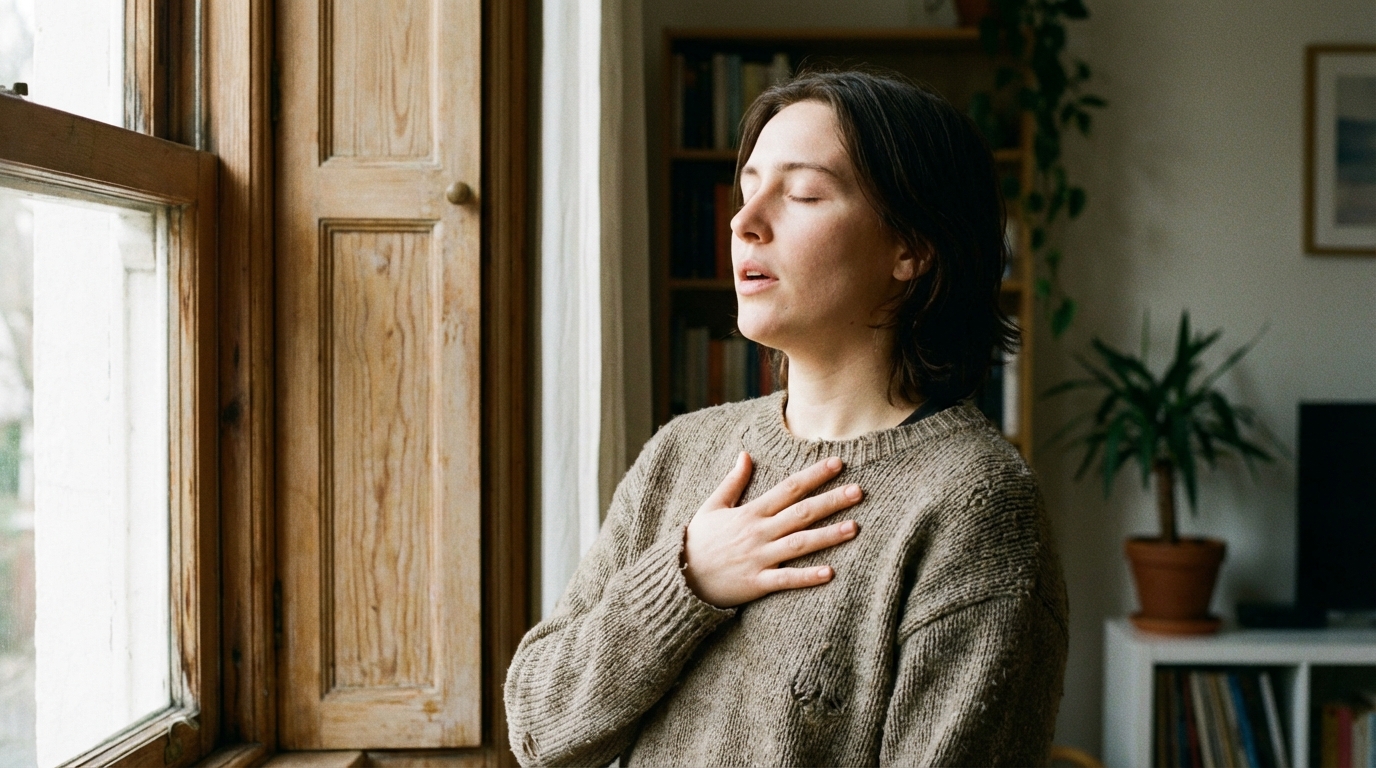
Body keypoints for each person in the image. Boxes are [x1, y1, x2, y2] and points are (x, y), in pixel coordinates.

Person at [505, 68, 1068, 767]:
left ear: (912, 248)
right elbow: (537, 730)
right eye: (747, 190)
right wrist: (686, 580)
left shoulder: (974, 505)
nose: (744, 223)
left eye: (802, 193)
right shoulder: (683, 452)